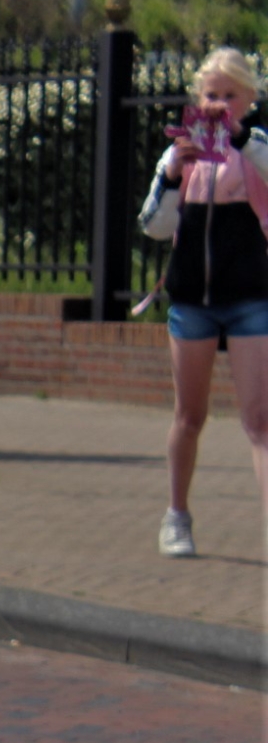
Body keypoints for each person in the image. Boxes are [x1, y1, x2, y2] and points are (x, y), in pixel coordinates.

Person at [139, 46, 268, 559]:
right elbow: (153, 226)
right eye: (209, 95)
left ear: (248, 100)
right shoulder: (178, 156)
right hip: (192, 300)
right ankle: (177, 516)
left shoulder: (257, 148)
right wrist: (173, 173)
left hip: (251, 299)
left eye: (228, 97)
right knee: (189, 415)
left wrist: (241, 142)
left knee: (259, 419)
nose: (217, 106)